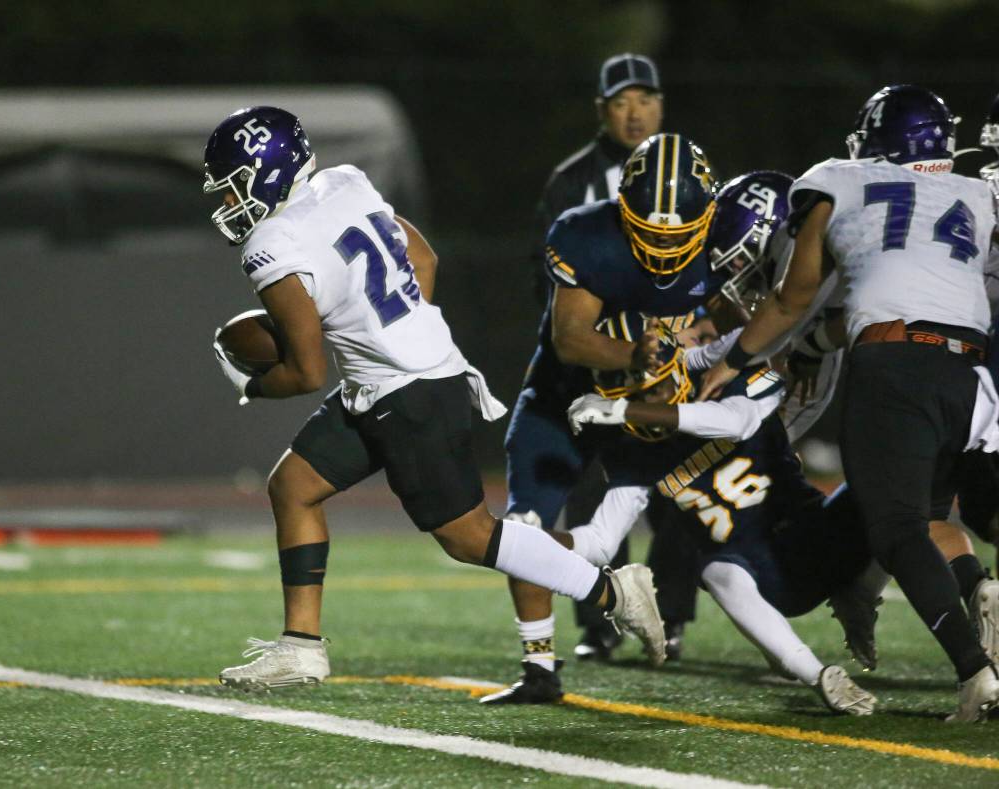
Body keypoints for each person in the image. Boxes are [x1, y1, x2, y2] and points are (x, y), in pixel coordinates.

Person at [201, 106, 665, 689]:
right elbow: (424, 257)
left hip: (408, 392)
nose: (225, 205)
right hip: (400, 377)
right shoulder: (344, 182)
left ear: (265, 173)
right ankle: (301, 647)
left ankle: (613, 591)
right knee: (293, 486)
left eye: (232, 188)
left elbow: (304, 372)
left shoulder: (270, 242)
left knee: (470, 538)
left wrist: (251, 383)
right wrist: (398, 329)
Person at [698, 85, 999, 722]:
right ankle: (972, 592)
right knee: (935, 513)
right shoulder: (975, 193)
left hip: (894, 365)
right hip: (971, 374)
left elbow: (790, 296)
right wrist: (814, 341)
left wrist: (733, 361)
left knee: (897, 531)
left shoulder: (836, 178)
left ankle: (976, 674)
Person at [482, 131, 733, 704]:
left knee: (720, 517)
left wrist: (710, 354)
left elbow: (741, 325)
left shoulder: (722, 240)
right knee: (524, 529)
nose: (663, 244)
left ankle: (689, 619)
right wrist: (635, 353)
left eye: (677, 232)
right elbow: (570, 339)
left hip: (650, 414)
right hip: (566, 401)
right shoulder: (586, 234)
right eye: (648, 227)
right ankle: (539, 667)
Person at [564, 314, 876, 715]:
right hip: (763, 580)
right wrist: (527, 538)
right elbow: (600, 541)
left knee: (882, 491)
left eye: (652, 390)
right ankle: (820, 676)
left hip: (814, 537)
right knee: (716, 572)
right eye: (632, 395)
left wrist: (627, 411)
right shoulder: (632, 453)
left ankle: (860, 595)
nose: (646, 403)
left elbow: (736, 421)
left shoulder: (727, 378)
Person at [505, 53, 677, 677]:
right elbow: (545, 278)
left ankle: (673, 615)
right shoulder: (573, 182)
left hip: (668, 362)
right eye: (622, 101)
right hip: (593, 362)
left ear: (661, 104)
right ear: (603, 110)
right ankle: (599, 623)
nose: (635, 112)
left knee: (677, 485)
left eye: (645, 99)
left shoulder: (685, 174)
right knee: (584, 491)